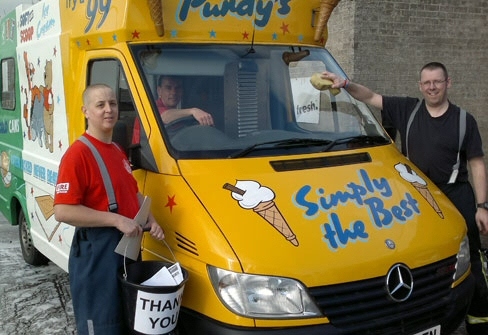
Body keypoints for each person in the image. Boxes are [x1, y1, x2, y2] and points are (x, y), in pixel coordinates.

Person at [321, 62, 488, 334]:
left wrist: (482, 206)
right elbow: (370, 97)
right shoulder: (408, 109)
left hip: (455, 195)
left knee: (470, 265)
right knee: (419, 256)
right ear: (420, 86)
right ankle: (422, 314)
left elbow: (477, 163)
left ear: (448, 83)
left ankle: (478, 321)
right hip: (417, 196)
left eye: (437, 81)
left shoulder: (463, 120)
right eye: (427, 83)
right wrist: (345, 84)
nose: (432, 87)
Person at [54, 84, 165, 334]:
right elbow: (63, 211)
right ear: (86, 111)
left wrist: (152, 220)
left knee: (125, 320)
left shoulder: (116, 150)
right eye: (100, 105)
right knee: (103, 324)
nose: (108, 110)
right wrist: (116, 220)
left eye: (113, 104)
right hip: (97, 252)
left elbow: (132, 193)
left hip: (125, 248)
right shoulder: (77, 154)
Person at [132, 75, 213, 142]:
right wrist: (193, 111)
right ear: (159, 91)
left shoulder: (179, 115)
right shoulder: (151, 108)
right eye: (168, 88)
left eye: (177, 88)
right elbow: (164, 117)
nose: (174, 92)